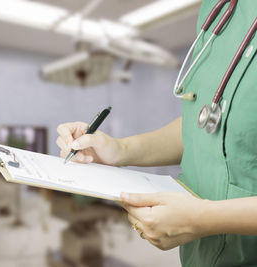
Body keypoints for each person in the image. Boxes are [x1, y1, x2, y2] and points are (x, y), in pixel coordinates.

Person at [56, 1, 257, 266]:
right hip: (200, 257)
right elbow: (206, 125)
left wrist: (203, 218)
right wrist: (120, 150)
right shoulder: (217, 9)